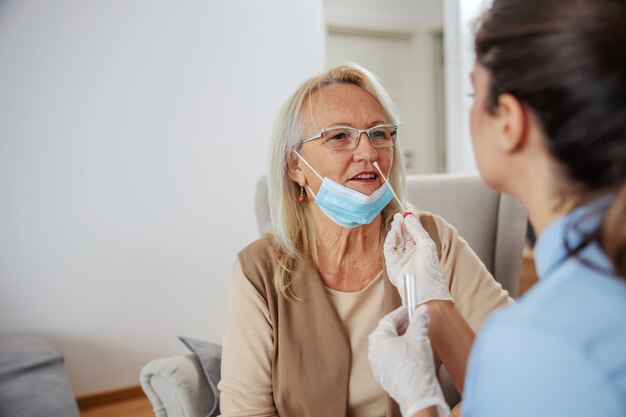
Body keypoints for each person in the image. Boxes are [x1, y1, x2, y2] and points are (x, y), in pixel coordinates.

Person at [368, 0, 626, 416]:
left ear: (509, 122)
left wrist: (421, 402)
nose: (366, 152)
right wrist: (432, 299)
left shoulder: (543, 344)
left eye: (473, 93)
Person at [217, 63, 513, 417]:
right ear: (295, 166)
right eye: (339, 136)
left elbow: (520, 365)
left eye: (378, 133)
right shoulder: (258, 272)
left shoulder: (429, 243)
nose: (369, 153)